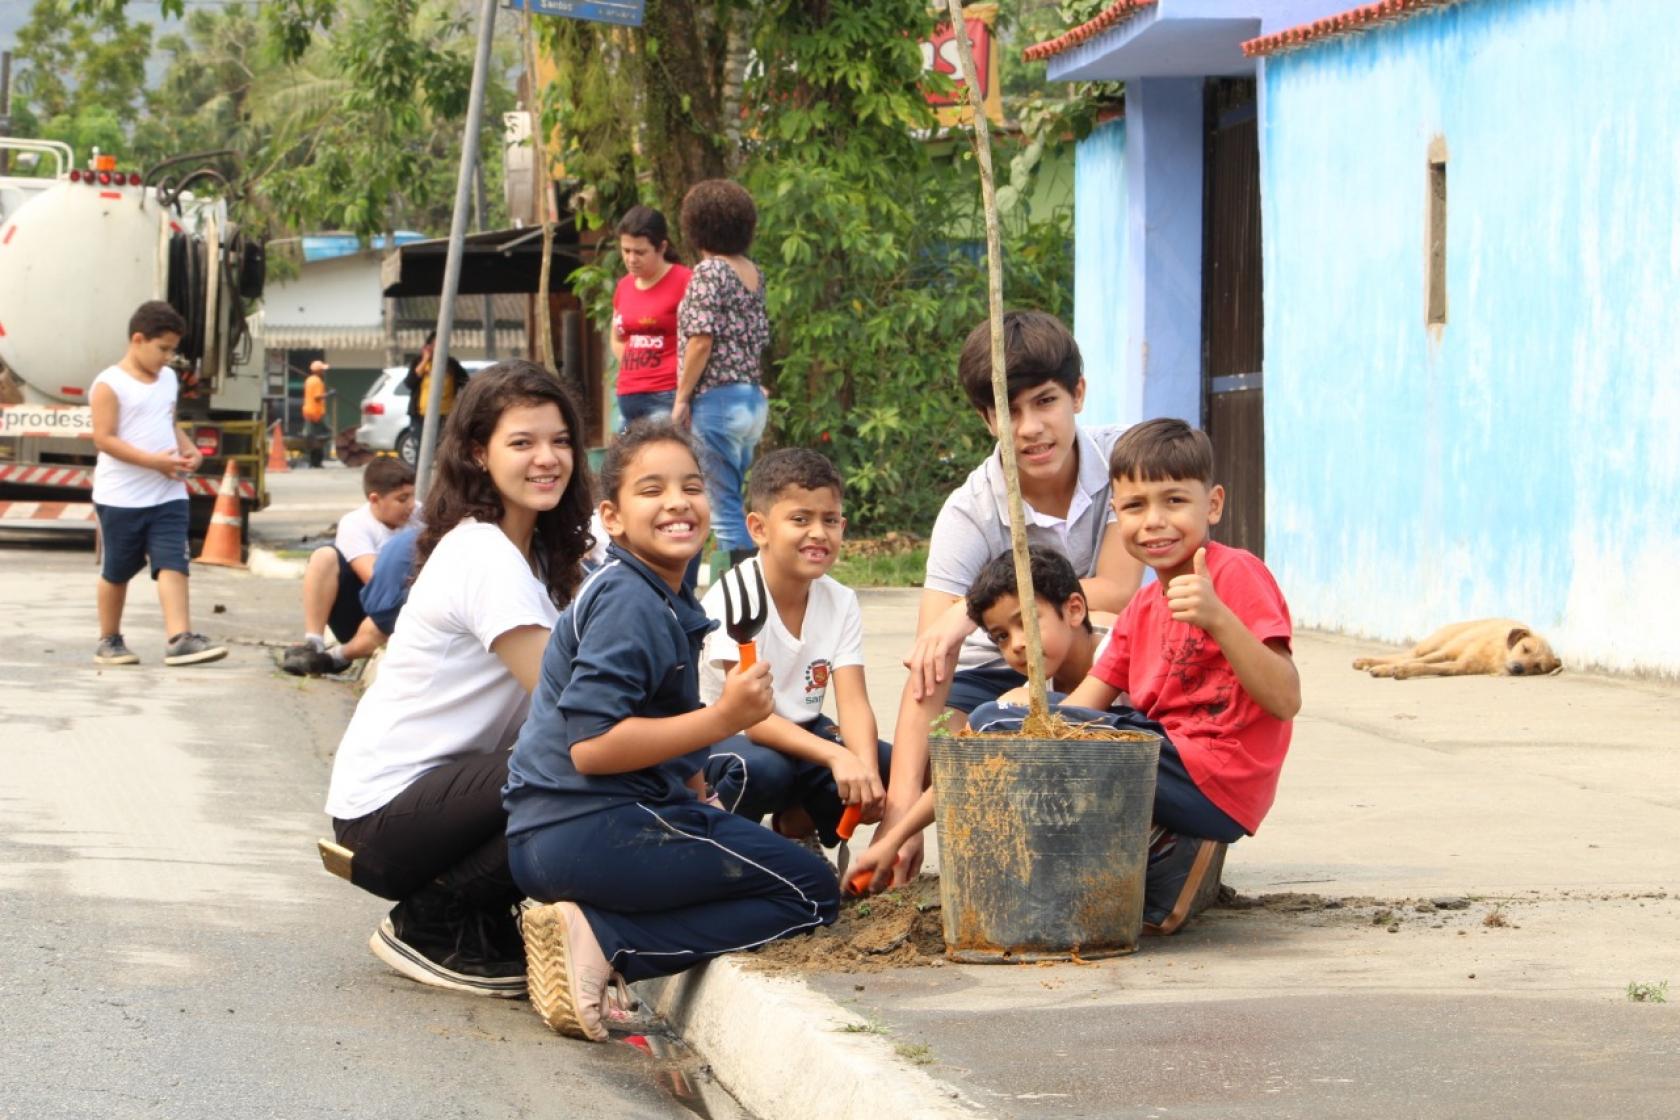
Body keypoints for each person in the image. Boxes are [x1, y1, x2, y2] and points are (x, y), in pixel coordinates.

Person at [505, 420, 838, 1041]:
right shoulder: (630, 602)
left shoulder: (661, 596)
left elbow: (668, 721)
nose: (678, 502)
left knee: (737, 773)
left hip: (558, 833)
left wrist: (699, 787)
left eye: (691, 486)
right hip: (591, 827)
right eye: (651, 490)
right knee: (810, 889)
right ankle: (609, 937)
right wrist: (726, 718)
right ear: (612, 516)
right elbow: (593, 748)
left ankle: (595, 919)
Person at [323, 361, 596, 998]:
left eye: (559, 441)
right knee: (581, 763)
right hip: (386, 815)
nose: (547, 459)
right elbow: (568, 702)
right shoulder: (483, 553)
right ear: (479, 453)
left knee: (586, 762)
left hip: (443, 801)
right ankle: (433, 919)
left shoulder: (536, 554)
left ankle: (475, 913)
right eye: (522, 443)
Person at [878, 310, 1144, 884]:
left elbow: (1121, 591)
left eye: (1045, 402)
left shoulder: (1128, 463)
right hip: (990, 673)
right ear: (986, 418)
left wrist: (970, 609)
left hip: (1086, 663)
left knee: (1105, 626)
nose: (1029, 427)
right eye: (1009, 409)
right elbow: (930, 662)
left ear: (1078, 393)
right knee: (955, 735)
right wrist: (900, 817)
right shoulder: (969, 510)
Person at [848, 546, 1109, 893]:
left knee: (995, 717)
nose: (1016, 644)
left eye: (1025, 622)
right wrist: (893, 839)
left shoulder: (1116, 650)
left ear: (1074, 609)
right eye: (1001, 636)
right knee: (996, 726)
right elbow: (964, 765)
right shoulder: (1041, 678)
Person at [698, 448, 890, 859]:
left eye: (830, 520)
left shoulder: (839, 600)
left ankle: (792, 830)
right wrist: (838, 755)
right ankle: (722, 852)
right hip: (730, 735)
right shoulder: (734, 599)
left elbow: (854, 703)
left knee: (885, 763)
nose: (819, 533)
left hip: (802, 732)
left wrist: (866, 769)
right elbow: (753, 720)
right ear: (759, 528)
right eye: (800, 519)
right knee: (765, 769)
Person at [89, 300, 227, 668]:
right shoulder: (109, 384)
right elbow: (104, 439)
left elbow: (167, 421)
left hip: (168, 493)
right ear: (138, 339)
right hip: (121, 497)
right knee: (117, 571)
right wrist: (155, 462)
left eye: (172, 350)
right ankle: (110, 639)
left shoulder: (167, 379)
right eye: (162, 348)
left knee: (174, 562)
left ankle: (179, 638)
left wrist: (188, 449)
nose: (168, 358)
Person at [675, 179, 771, 571]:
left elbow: (701, 340)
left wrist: (682, 396)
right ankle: (745, 593)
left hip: (717, 400)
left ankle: (742, 604)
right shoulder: (751, 272)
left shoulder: (709, 271)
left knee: (724, 508)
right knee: (732, 497)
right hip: (751, 399)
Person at [281, 458, 417, 676]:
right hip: (369, 603)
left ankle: (334, 658)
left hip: (404, 607)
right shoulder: (355, 524)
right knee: (324, 556)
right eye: (402, 499)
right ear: (375, 499)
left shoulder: (422, 516)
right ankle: (314, 643)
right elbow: (374, 579)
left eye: (412, 496)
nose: (411, 505)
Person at [610, 205, 692, 430]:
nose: (631, 259)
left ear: (662, 247)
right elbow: (617, 338)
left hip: (666, 394)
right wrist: (638, 364)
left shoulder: (685, 281)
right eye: (626, 251)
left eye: (640, 252)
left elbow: (701, 340)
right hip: (628, 396)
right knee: (622, 462)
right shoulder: (624, 286)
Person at [404, 330, 469, 429]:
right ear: (428, 346)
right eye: (435, 345)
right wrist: (425, 359)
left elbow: (466, 382)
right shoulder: (419, 361)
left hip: (445, 414)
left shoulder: (451, 364)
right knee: (421, 443)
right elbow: (409, 383)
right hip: (422, 415)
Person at [301, 359, 332, 468]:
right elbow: (317, 397)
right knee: (326, 434)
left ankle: (312, 461)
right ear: (318, 371)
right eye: (322, 370)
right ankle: (317, 460)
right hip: (317, 412)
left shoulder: (309, 380)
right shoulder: (318, 381)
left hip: (308, 411)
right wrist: (328, 394)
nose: (323, 372)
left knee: (311, 437)